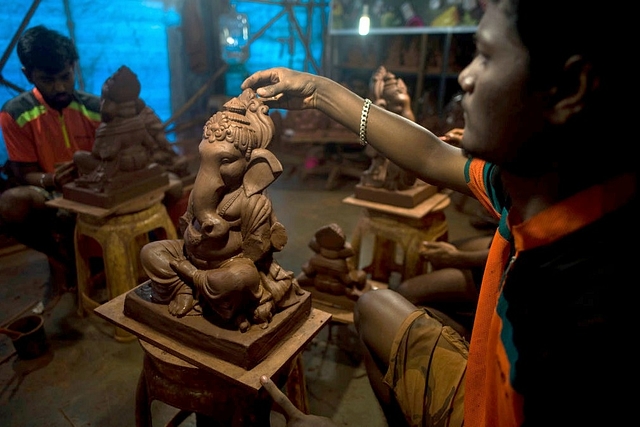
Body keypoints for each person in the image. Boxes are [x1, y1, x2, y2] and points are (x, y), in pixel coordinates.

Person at [242, 0, 636, 425]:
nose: (465, 77)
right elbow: (432, 155)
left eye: (486, 57)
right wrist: (319, 91)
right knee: (375, 307)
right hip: (485, 387)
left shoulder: (577, 319)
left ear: (569, 88)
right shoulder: (539, 185)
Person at [0, 25, 101, 276]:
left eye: (65, 77)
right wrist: (51, 180)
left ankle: (88, 264)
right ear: (28, 75)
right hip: (53, 197)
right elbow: (25, 173)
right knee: (11, 203)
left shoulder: (96, 108)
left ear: (74, 66)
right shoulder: (15, 114)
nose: (59, 88)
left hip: (98, 193)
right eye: (48, 79)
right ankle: (64, 261)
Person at [395, 235, 492, 339]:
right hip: (505, 243)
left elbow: (507, 256)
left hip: (505, 274)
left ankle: (469, 337)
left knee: (405, 293)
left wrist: (458, 258)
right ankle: (456, 309)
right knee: (447, 248)